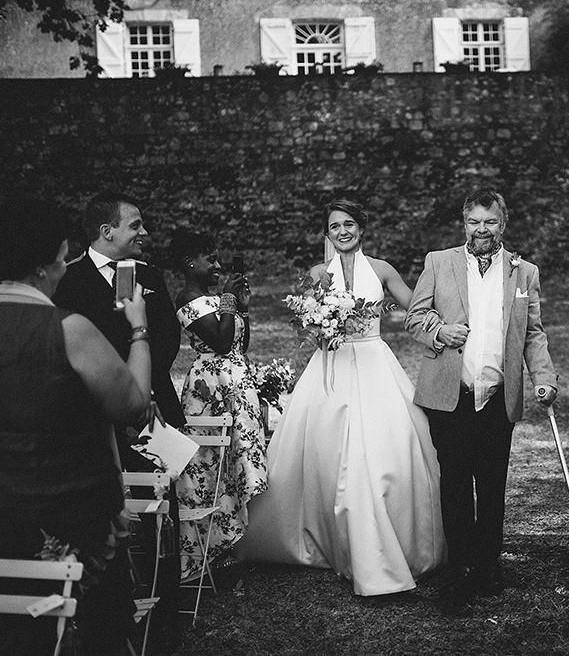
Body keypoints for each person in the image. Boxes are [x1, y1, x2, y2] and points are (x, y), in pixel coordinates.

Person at [235, 199, 446, 596]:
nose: (343, 231)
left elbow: (417, 305)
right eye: (335, 226)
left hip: (373, 363)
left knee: (384, 451)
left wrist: (447, 320)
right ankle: (332, 541)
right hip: (330, 368)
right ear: (327, 234)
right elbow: (307, 325)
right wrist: (319, 325)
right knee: (326, 454)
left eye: (349, 224)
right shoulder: (318, 273)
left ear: (361, 229)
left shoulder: (382, 270)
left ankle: (390, 545)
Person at [0, 195, 151, 655]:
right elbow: (133, 406)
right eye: (65, 259)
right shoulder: (68, 330)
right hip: (65, 520)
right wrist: (138, 330)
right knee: (94, 635)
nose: (67, 268)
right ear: (44, 269)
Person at [405, 187, 558, 607]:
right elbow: (414, 317)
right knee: (454, 482)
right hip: (450, 396)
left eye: (489, 222)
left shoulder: (523, 272)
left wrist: (543, 377)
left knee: (491, 485)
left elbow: (533, 333)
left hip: (496, 397)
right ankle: (460, 567)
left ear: (502, 225)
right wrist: (439, 331)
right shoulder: (439, 263)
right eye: (474, 221)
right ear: (464, 224)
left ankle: (489, 566)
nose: (481, 230)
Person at [52, 190, 184, 643]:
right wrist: (114, 395)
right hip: (97, 413)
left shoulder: (149, 274)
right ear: (107, 232)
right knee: (115, 504)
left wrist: (140, 388)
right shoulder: (68, 280)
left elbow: (167, 334)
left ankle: (167, 607)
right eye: (135, 225)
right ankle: (116, 604)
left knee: (165, 505)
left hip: (153, 404)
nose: (144, 233)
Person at [169, 230, 266, 580]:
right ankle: (206, 550)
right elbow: (222, 343)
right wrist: (227, 298)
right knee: (209, 466)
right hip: (211, 393)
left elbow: (241, 343)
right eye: (211, 260)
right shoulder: (188, 299)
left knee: (231, 463)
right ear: (189, 262)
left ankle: (228, 544)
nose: (218, 265)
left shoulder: (215, 299)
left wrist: (242, 307)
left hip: (235, 387)